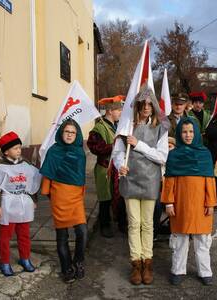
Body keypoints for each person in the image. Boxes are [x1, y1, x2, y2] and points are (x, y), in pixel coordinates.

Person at [112, 86, 169, 285]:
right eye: (143, 104)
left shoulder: (160, 128)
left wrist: (139, 145)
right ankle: (136, 264)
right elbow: (117, 153)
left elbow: (162, 156)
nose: (146, 107)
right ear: (137, 105)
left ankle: (148, 263)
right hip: (130, 180)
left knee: (148, 224)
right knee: (133, 224)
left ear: (154, 106)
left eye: (149, 104)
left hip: (150, 180)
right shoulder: (126, 126)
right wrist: (121, 166)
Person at [161, 118, 217, 286]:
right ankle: (178, 269)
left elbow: (209, 181)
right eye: (184, 132)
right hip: (181, 204)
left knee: (202, 240)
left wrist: (211, 203)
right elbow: (169, 181)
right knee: (179, 239)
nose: (188, 135)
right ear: (179, 133)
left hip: (201, 204)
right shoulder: (174, 155)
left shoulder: (205, 154)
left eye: (191, 131)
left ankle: (205, 271)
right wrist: (169, 202)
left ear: (197, 133)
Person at [40, 119, 88, 283]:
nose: (69, 135)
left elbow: (80, 176)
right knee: (62, 236)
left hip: (76, 197)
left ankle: (78, 262)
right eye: (67, 132)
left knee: (82, 231)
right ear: (61, 133)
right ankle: (66, 268)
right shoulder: (54, 151)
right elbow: (48, 173)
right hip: (59, 195)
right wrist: (47, 193)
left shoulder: (80, 152)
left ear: (77, 134)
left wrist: (81, 192)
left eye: (73, 132)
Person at [0, 131, 41, 276]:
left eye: (19, 147)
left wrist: (34, 199)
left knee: (24, 233)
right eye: (15, 148)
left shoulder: (25, 164)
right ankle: (4, 261)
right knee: (6, 235)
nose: (19, 150)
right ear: (6, 151)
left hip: (23, 202)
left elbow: (30, 181)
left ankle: (25, 258)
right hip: (7, 203)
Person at [87, 95, 124, 237]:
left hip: (117, 167)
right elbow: (95, 147)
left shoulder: (117, 126)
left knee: (119, 195)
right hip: (104, 168)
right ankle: (105, 224)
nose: (120, 113)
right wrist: (114, 146)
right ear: (110, 111)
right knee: (105, 197)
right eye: (118, 110)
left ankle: (121, 222)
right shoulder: (99, 128)